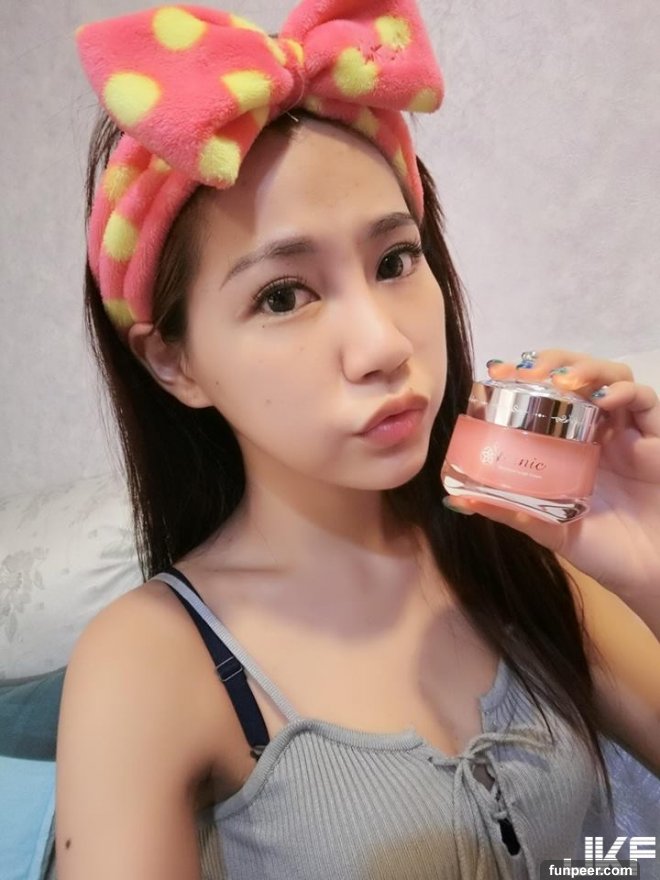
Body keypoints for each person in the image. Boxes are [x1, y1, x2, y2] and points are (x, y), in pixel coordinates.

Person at [55, 1, 660, 878]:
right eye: (283, 296)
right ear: (173, 362)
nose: (383, 345)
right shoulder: (150, 660)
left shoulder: (521, 550)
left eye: (395, 261)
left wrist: (648, 567)